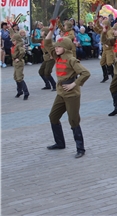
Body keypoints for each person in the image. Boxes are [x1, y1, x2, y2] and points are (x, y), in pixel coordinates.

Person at [44, 25, 91, 158]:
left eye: (58, 46)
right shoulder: (57, 56)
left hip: (71, 94)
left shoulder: (71, 59)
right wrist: (51, 29)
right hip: (61, 93)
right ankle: (60, 143)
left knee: (73, 120)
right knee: (53, 116)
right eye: (56, 46)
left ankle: (80, 148)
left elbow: (85, 73)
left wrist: (74, 84)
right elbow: (47, 43)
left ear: (65, 47)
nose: (56, 48)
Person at [35, 26, 57, 91]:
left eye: (42, 31)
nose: (41, 32)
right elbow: (34, 41)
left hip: (50, 57)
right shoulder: (42, 39)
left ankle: (54, 85)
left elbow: (53, 47)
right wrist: (33, 36)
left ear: (45, 32)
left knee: (47, 72)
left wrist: (52, 54)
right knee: (41, 71)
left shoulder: (48, 40)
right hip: (46, 57)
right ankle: (47, 85)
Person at [93, 17, 115, 83]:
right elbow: (98, 30)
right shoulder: (104, 30)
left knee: (109, 63)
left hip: (109, 49)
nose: (102, 26)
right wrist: (95, 24)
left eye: (103, 25)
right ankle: (105, 76)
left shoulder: (110, 31)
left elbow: (111, 39)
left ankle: (114, 77)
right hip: (105, 50)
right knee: (102, 62)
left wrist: (106, 42)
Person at [12, 33, 30, 100]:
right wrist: (10, 29)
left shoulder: (19, 45)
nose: (12, 42)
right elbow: (12, 34)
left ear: (17, 40)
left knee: (19, 78)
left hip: (18, 62)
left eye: (14, 41)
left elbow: (22, 51)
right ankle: (19, 91)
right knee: (16, 77)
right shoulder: (16, 45)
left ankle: (26, 92)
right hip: (15, 62)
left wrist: (18, 58)